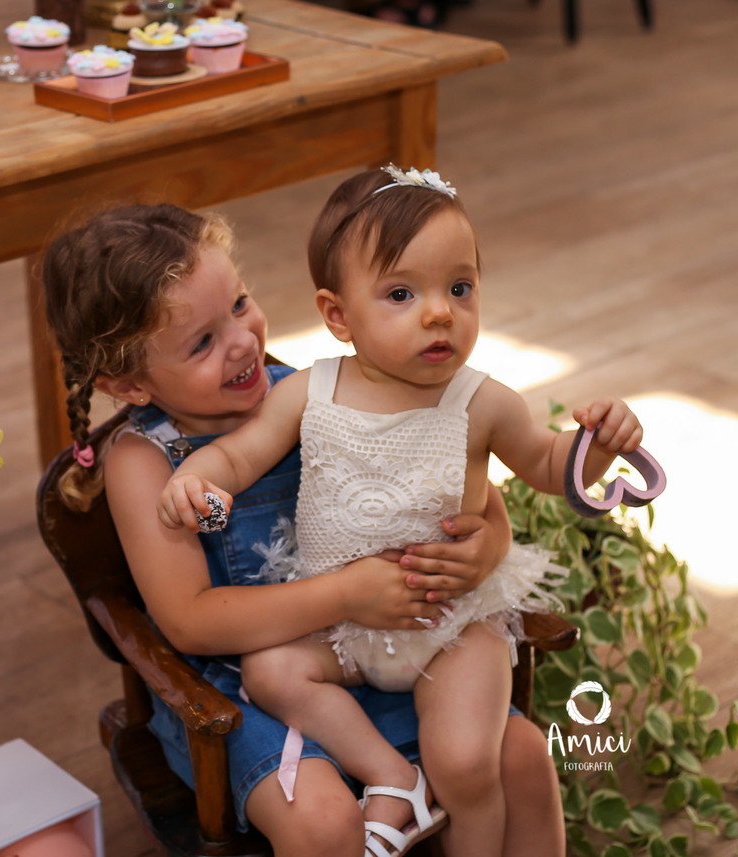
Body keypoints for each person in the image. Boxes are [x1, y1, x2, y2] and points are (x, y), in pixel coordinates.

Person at [42, 201, 565, 857]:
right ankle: (391, 781)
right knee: (322, 821)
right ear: (130, 383)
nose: (242, 341)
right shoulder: (144, 464)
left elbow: (452, 477)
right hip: (243, 689)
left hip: (385, 643)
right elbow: (190, 622)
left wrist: (489, 543)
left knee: (521, 757)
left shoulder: (313, 391)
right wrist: (347, 595)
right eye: (202, 342)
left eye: (240, 304)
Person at [157, 167, 641, 856]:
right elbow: (235, 457)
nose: (440, 312)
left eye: (460, 288)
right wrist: (194, 480)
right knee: (270, 672)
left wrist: (597, 446)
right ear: (338, 315)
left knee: (466, 762)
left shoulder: (483, 402)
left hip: (453, 624)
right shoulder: (309, 392)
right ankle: (393, 775)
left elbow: (547, 463)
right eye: (402, 293)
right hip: (343, 627)